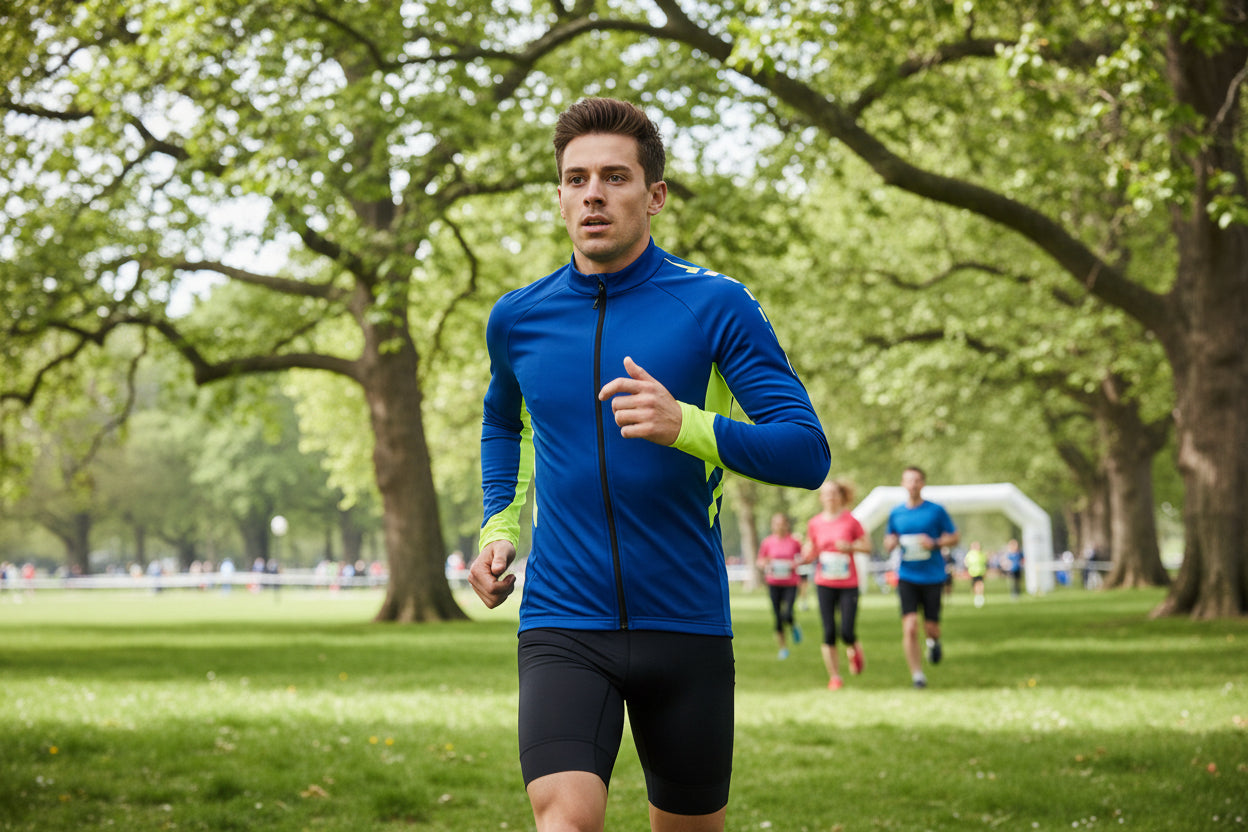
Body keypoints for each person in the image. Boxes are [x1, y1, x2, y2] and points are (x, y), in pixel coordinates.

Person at [469, 97, 830, 832]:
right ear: (561, 195)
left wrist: (688, 425)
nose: (592, 194)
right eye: (575, 179)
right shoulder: (518, 318)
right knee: (563, 822)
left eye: (614, 177)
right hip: (563, 620)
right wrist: (497, 527)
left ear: (654, 195)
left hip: (686, 622)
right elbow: (501, 421)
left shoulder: (715, 305)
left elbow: (806, 451)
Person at [882, 466, 959, 689]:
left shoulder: (936, 511)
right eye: (909, 481)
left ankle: (934, 642)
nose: (913, 485)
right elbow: (889, 539)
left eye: (917, 481)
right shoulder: (896, 513)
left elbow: (954, 537)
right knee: (910, 626)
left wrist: (934, 543)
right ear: (902, 484)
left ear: (923, 483)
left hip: (933, 576)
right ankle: (917, 675)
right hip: (907, 575)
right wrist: (890, 544)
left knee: (931, 627)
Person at [803, 478, 872, 690]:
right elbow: (810, 550)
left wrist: (850, 547)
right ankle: (835, 677)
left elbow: (868, 546)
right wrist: (805, 554)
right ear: (821, 497)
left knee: (847, 631)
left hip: (848, 583)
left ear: (841, 496)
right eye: (827, 493)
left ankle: (854, 649)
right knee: (829, 631)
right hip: (824, 582)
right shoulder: (814, 523)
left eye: (834, 493)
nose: (831, 497)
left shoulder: (851, 521)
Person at [757, 512, 804, 660]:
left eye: (782, 523)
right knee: (777, 617)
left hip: (790, 583)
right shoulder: (767, 542)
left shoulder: (794, 542)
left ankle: (792, 624)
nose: (779, 526)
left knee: (787, 613)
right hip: (773, 583)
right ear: (772, 525)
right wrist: (766, 563)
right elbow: (760, 561)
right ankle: (783, 649)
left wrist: (794, 563)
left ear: (787, 525)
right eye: (776, 523)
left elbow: (802, 558)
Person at [964, 540, 988, 607]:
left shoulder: (981, 554)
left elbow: (985, 563)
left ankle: (980, 597)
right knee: (975, 585)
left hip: (980, 572)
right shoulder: (970, 554)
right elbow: (966, 563)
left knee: (980, 584)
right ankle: (977, 597)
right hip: (973, 572)